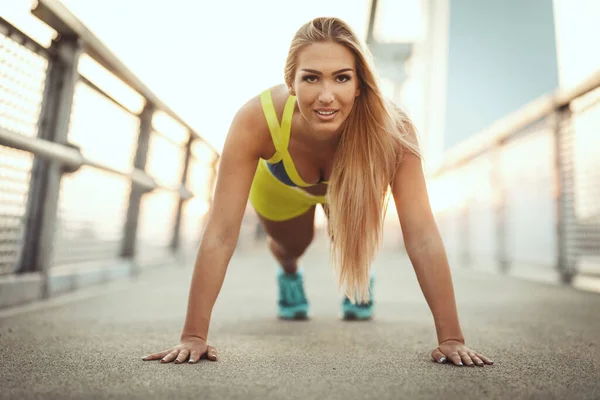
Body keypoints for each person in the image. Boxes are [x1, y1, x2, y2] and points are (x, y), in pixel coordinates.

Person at [143, 17, 494, 368]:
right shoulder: (256, 119)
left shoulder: (393, 129)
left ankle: (356, 275)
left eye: (342, 78)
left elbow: (422, 237)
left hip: (350, 183)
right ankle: (290, 273)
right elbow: (220, 232)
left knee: (351, 225)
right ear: (291, 82)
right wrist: (193, 336)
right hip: (282, 186)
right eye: (311, 78)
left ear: (359, 84)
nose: (327, 96)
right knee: (294, 244)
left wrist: (451, 338)